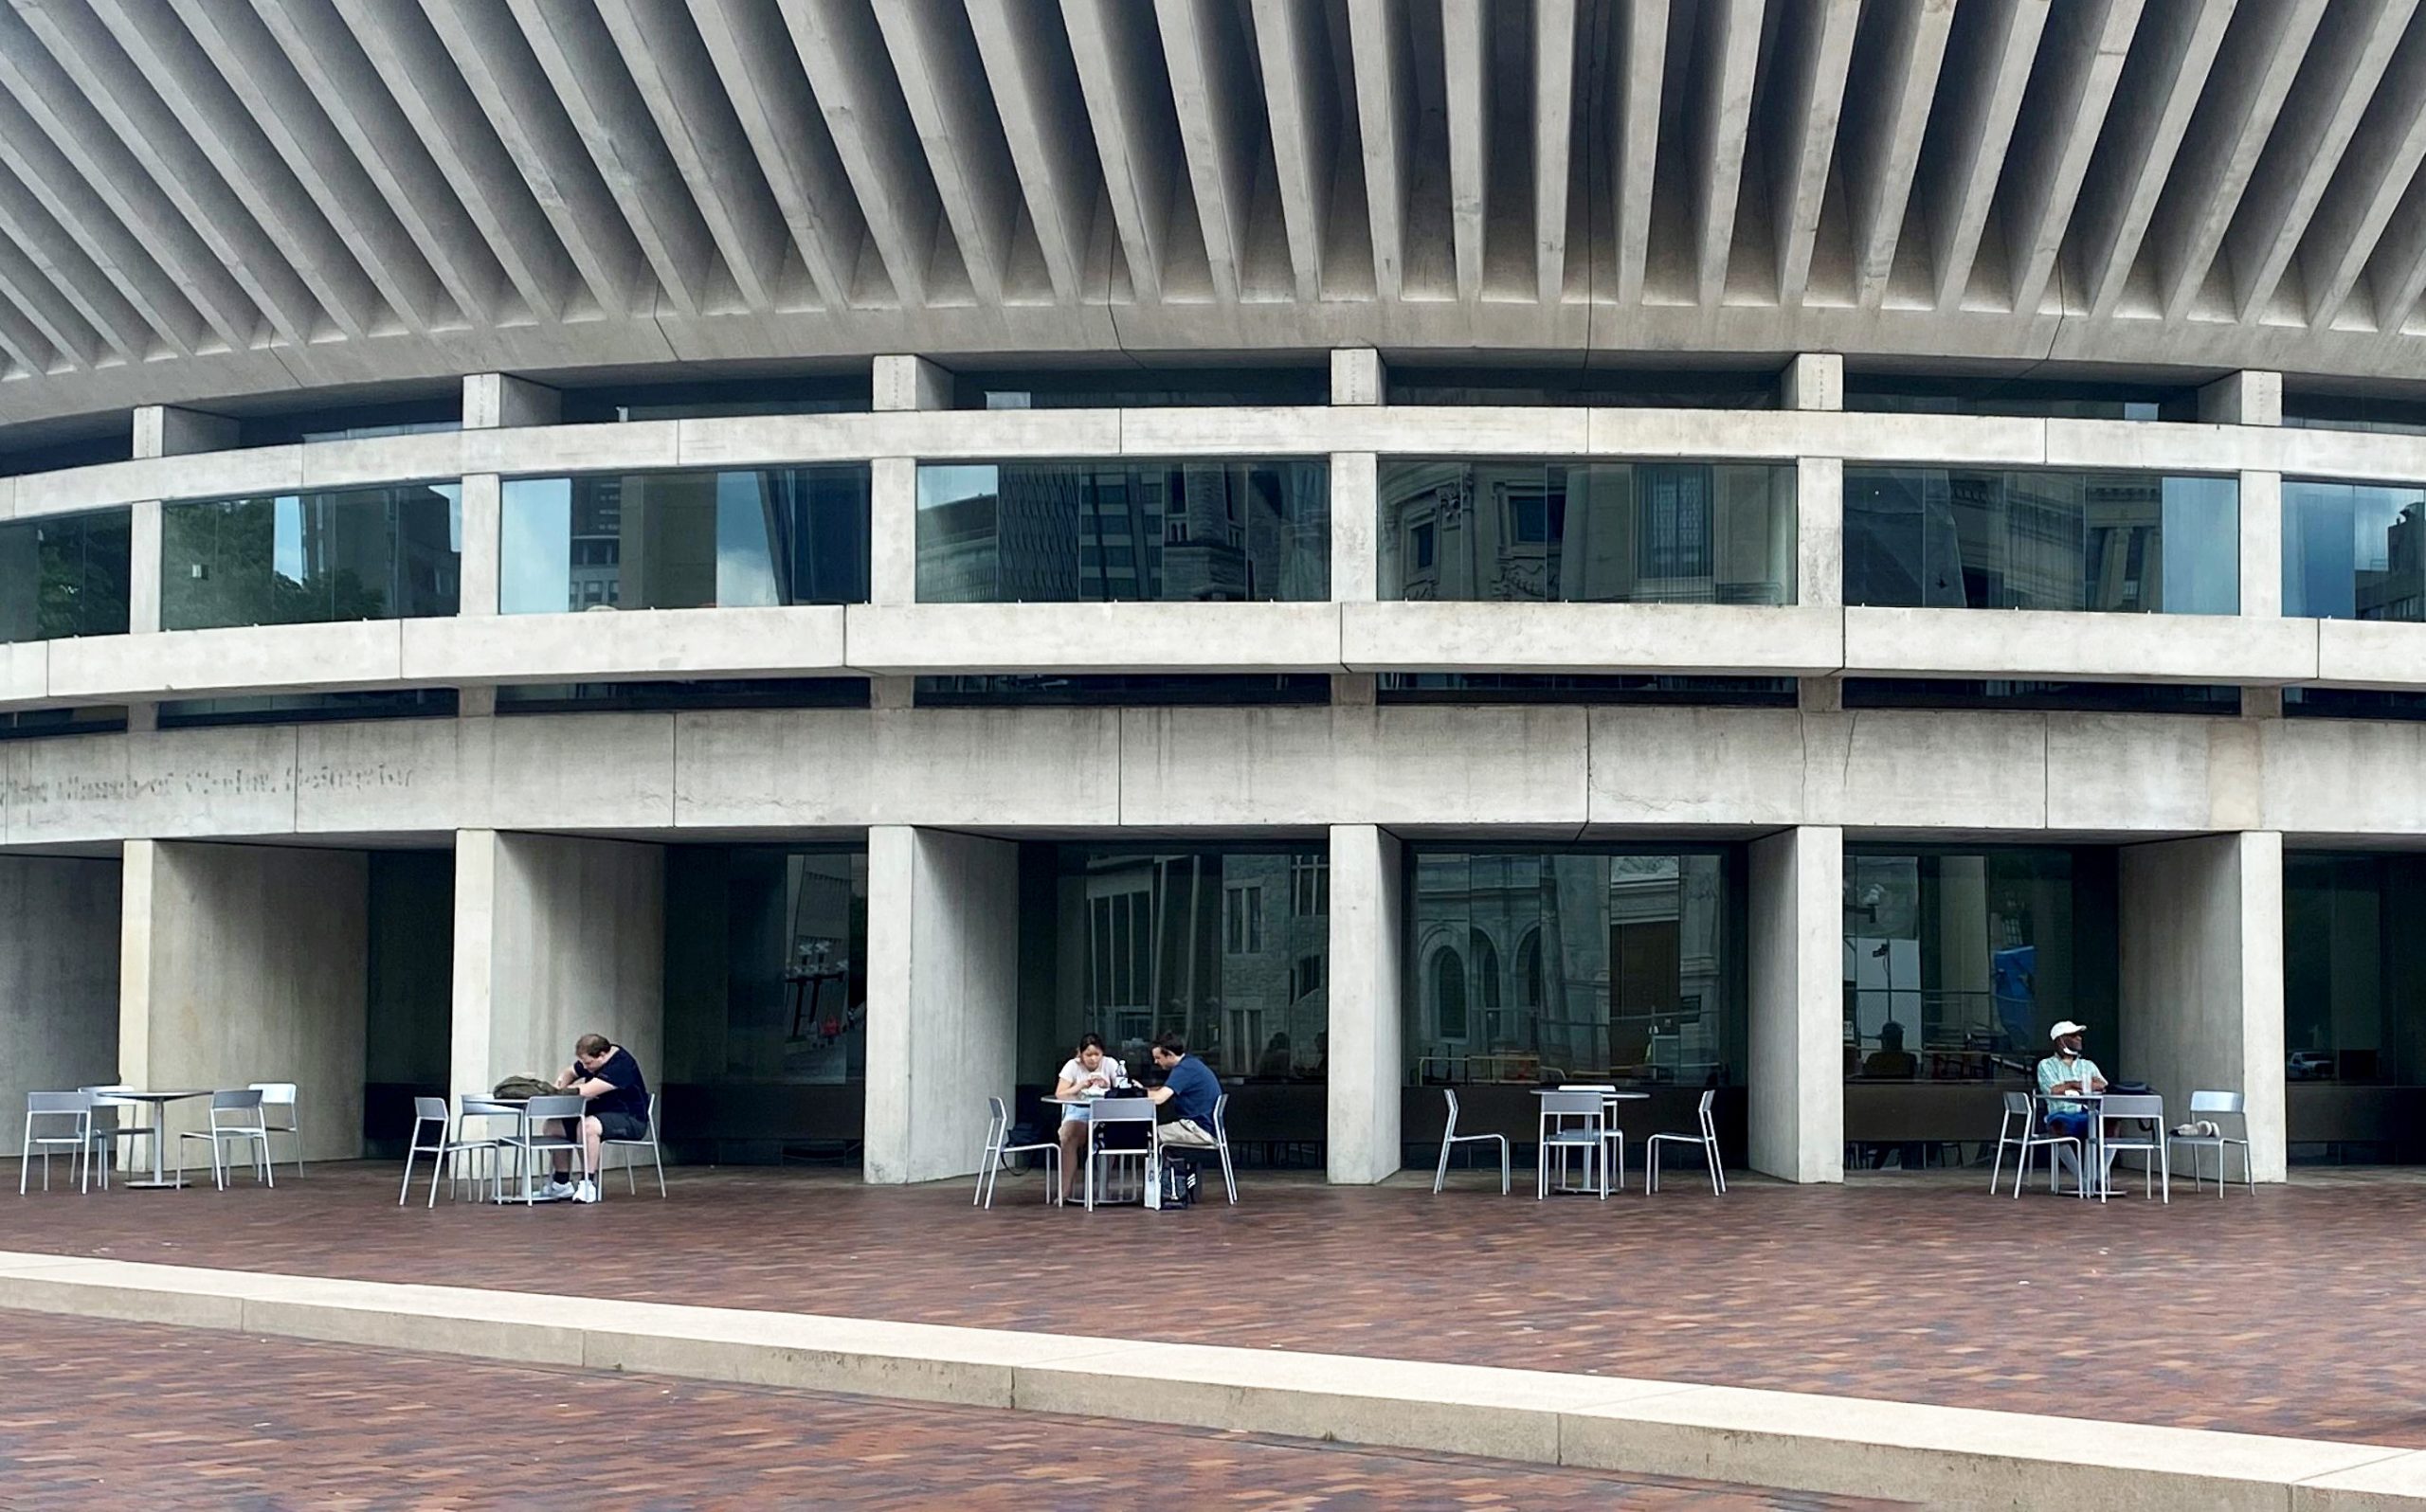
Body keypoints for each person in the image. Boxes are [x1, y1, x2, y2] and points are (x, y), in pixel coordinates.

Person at [544, 1033, 649, 1204]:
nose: (586, 1068)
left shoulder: (621, 1066)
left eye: (588, 1063)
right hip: (601, 1114)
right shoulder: (595, 1058)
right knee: (552, 1126)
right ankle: (562, 1182)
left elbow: (587, 1091)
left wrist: (556, 1092)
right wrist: (559, 1084)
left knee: (587, 1126)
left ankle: (588, 1183)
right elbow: (569, 1072)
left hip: (630, 1118)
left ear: (602, 1055)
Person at [1053, 1033, 1130, 1203]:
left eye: (1097, 1055)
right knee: (1068, 1137)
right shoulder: (1072, 1066)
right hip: (1078, 1111)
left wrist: (1107, 1086)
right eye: (1088, 1055)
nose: (1093, 1059)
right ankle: (1065, 1191)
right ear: (1080, 1054)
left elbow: (1123, 1093)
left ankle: (1102, 1188)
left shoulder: (1111, 1064)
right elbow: (1060, 1094)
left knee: (1110, 1136)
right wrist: (1080, 1085)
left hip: (1105, 1113)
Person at [2036, 1019, 2107, 1146]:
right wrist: (2082, 1084)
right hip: (2062, 1113)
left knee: (2111, 1122)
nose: (2079, 1038)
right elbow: (2054, 1090)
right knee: (2058, 1126)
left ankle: (2104, 1166)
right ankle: (2075, 1167)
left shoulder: (2088, 1065)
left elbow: (2102, 1086)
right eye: (2073, 1035)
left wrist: (2068, 1085)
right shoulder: (2046, 1065)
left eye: (2079, 1035)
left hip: (2088, 1112)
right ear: (2060, 1040)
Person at [1147, 1031, 1221, 1148]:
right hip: (1205, 1126)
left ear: (1170, 1055)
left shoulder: (1184, 1069)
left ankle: (1156, 1166)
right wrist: (1145, 1090)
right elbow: (1165, 1089)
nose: (1156, 1062)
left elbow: (1159, 1098)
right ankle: (1166, 1165)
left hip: (1198, 1129)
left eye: (1158, 1058)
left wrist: (1133, 1094)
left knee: (1146, 1135)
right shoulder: (1191, 1063)